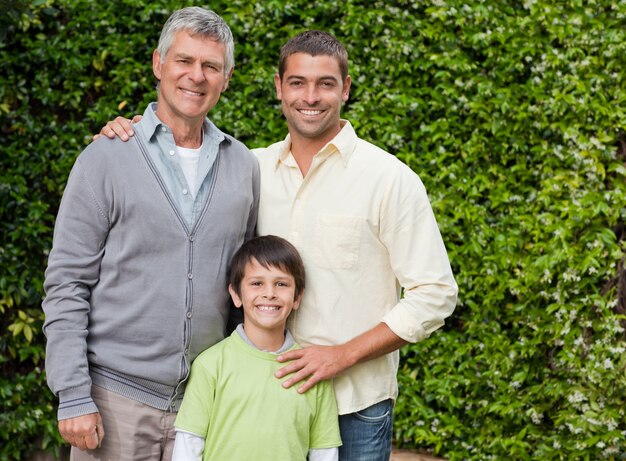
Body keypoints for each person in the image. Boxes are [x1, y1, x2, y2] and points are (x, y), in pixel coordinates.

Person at [99, 30, 458, 461]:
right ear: (278, 88)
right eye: (297, 83)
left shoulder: (389, 179)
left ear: (345, 88)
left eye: (326, 83)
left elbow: (435, 295)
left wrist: (341, 356)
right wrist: (135, 134)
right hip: (255, 402)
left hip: (352, 406)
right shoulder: (249, 168)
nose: (311, 96)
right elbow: (181, 169)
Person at [42, 7, 259, 461]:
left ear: (227, 77)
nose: (195, 76)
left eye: (211, 66)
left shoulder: (243, 165)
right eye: (184, 61)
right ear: (159, 63)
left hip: (206, 408)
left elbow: (247, 286)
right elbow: (67, 284)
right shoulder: (106, 158)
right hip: (113, 403)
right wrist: (74, 393)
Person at [172, 235, 341, 461]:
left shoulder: (311, 371)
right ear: (236, 294)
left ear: (297, 296)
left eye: (281, 284)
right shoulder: (211, 365)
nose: (269, 293)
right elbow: (188, 446)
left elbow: (324, 453)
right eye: (256, 283)